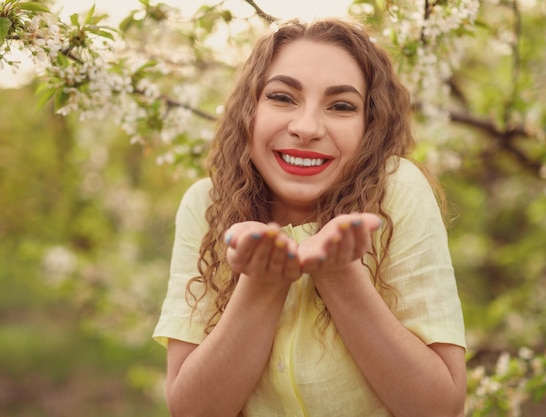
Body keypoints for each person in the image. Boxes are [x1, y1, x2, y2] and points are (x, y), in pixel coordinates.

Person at [153, 17, 466, 417]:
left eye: (341, 106)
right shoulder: (207, 205)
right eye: (283, 97)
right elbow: (192, 411)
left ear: (370, 127)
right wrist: (262, 284)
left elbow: (439, 408)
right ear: (249, 111)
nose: (306, 128)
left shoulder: (397, 190)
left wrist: (339, 276)